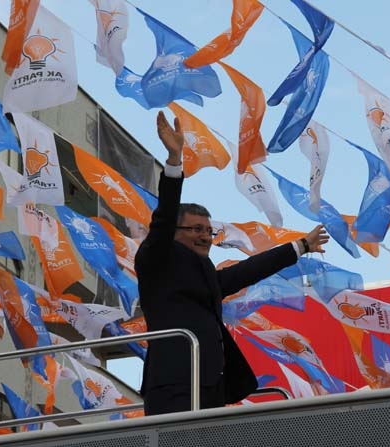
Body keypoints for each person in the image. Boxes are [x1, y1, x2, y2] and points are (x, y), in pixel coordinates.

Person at [134, 111, 330, 416]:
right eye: (195, 229)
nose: (204, 237)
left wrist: (300, 246)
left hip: (211, 385)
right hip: (173, 384)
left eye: (208, 231)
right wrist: (174, 160)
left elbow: (246, 271)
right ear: (175, 232)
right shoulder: (157, 257)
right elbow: (164, 217)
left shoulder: (205, 274)